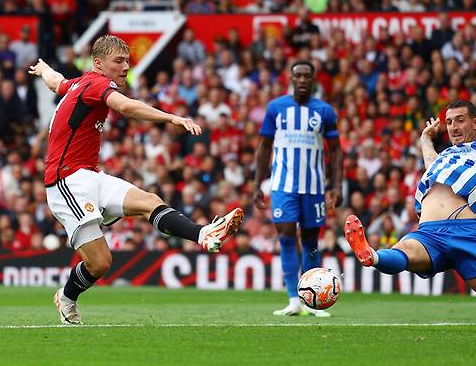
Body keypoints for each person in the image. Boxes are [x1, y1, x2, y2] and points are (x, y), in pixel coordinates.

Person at [28, 35, 244, 325]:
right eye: (118, 61)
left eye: (127, 61)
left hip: (91, 175)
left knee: (150, 201)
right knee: (100, 263)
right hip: (66, 181)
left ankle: (204, 235)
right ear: (98, 63)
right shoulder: (97, 83)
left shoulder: (79, 83)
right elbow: (126, 107)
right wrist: (171, 118)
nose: (126, 66)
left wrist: (44, 71)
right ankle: (66, 298)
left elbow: (57, 82)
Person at [345, 76, 476, 333]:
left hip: (466, 235)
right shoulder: (444, 157)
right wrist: (425, 139)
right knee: (404, 250)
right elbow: (431, 162)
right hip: (428, 233)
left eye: (460, 120)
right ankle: (371, 255)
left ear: (475, 122)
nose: (453, 127)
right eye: (449, 122)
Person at [253, 60, 343, 317]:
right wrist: (257, 183)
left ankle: (311, 303)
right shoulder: (276, 108)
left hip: (313, 187)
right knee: (286, 237)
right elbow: (264, 147)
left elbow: (336, 152)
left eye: (307, 76)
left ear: (313, 80)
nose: (303, 80)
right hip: (283, 186)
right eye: (298, 76)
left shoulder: (324, 111)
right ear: (291, 78)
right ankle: (294, 298)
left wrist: (335, 186)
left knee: (311, 241)